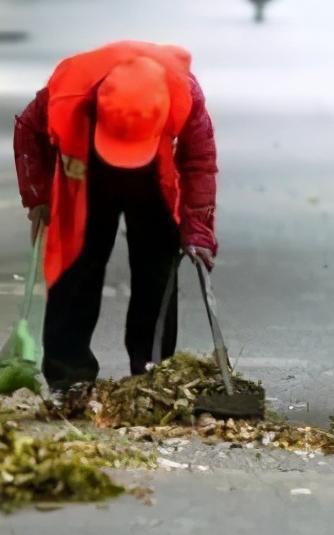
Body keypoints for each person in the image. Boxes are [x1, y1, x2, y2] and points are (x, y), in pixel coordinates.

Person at [13, 41, 219, 390]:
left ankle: (153, 373)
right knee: (76, 268)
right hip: (89, 172)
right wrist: (39, 197)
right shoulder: (67, 94)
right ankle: (69, 376)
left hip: (154, 177)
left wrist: (198, 228)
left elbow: (198, 161)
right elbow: (28, 133)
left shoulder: (184, 95)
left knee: (158, 272)